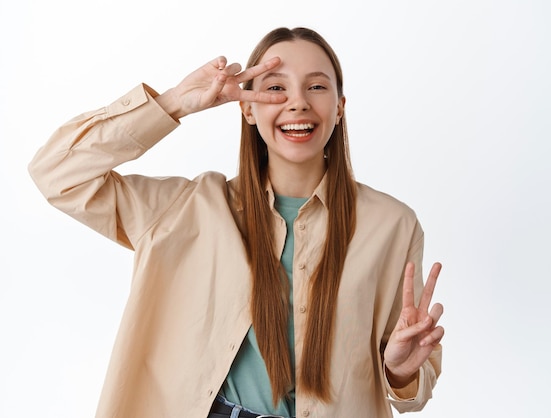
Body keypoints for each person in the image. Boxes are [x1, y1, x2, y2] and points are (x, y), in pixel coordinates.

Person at [28, 27, 444, 418]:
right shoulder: (186, 210)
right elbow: (58, 174)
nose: (297, 102)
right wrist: (173, 102)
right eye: (276, 87)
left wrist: (402, 372)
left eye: (316, 86)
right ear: (247, 109)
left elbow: (413, 386)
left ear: (339, 107)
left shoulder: (392, 224)